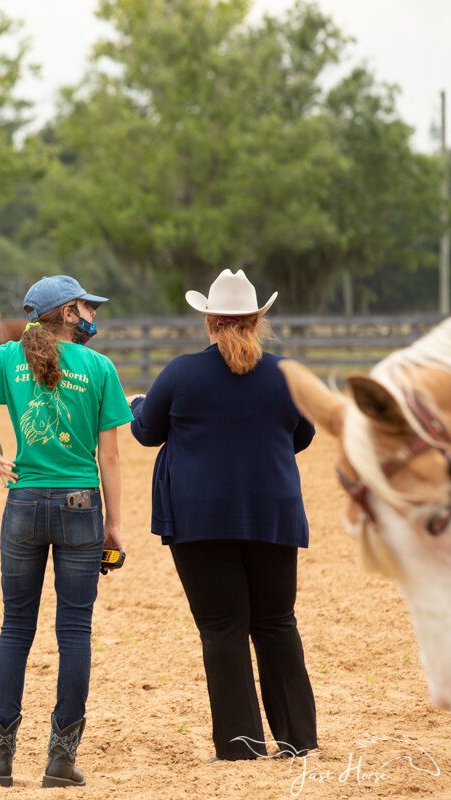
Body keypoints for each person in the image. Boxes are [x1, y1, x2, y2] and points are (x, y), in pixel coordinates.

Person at [0, 275, 132, 788]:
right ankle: (61, 761)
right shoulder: (100, 368)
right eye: (87, 307)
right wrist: (114, 524)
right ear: (68, 313)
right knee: (75, 632)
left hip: (23, 502)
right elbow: (108, 456)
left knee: (16, 629)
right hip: (81, 505)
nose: (92, 315)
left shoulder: (6, 357)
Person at [128, 268, 317, 762]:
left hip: (200, 518)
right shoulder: (287, 374)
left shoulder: (180, 372)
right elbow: (303, 436)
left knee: (222, 629)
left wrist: (139, 404)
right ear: (257, 321)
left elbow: (147, 432)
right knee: (276, 623)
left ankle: (239, 746)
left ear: (210, 321)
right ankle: (297, 740)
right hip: (272, 513)